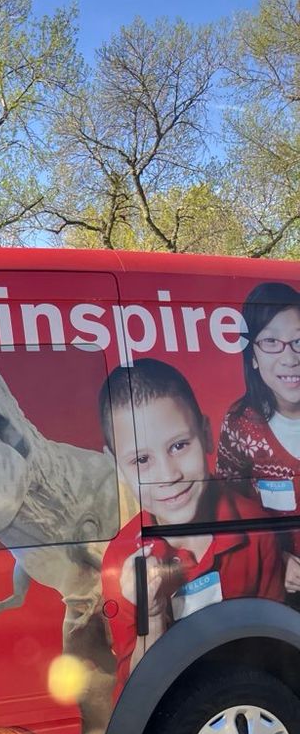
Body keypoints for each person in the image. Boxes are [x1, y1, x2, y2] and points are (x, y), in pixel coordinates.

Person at [99, 359, 284, 690]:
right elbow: (136, 692)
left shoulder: (257, 529)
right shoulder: (122, 560)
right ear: (117, 467)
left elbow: (279, 643)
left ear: (207, 435)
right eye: (141, 460)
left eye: (179, 446)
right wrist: (152, 618)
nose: (169, 475)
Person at [216, 281, 300, 592]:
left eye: (298, 341)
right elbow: (227, 508)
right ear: (252, 355)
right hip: (276, 592)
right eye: (271, 343)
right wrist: (278, 559)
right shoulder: (242, 424)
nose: (290, 358)